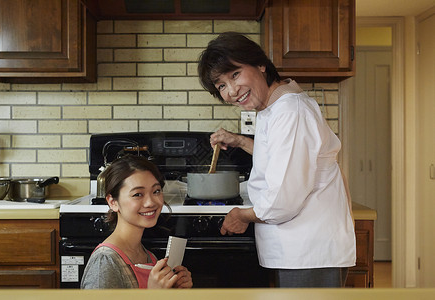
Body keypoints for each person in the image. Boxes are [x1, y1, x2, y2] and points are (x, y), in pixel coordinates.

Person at [198, 32, 356, 288]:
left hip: (308, 251)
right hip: (299, 248)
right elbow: (281, 156)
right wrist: (239, 141)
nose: (232, 90)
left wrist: (243, 215)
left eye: (235, 74)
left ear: (260, 64)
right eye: (222, 86)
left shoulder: (290, 111)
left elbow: (283, 200)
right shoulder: (274, 107)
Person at [81, 154, 193, 289]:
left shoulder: (148, 257)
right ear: (113, 202)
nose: (150, 202)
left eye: (156, 191)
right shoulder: (105, 261)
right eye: (138, 194)